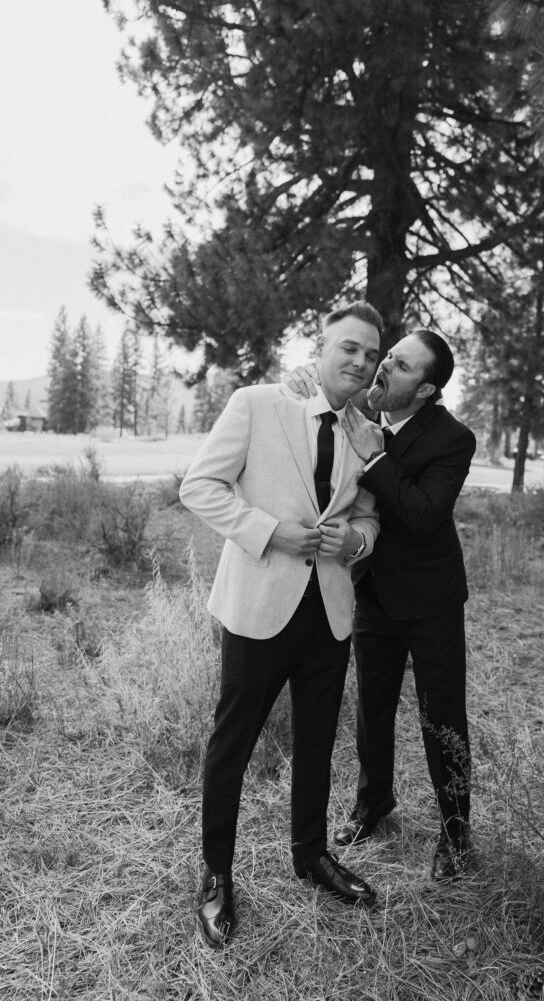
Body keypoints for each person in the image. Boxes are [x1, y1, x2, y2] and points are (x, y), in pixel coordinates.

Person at [179, 302, 384, 948]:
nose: (358, 361)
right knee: (231, 744)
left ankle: (310, 855)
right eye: (347, 347)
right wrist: (271, 532)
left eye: (370, 355)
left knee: (318, 743)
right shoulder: (257, 404)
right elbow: (201, 486)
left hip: (327, 612)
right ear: (319, 349)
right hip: (257, 606)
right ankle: (215, 875)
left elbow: (371, 518)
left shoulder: (369, 436)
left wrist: (352, 539)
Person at [284, 329, 476, 881]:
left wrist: (374, 460)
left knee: (442, 717)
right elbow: (310, 398)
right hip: (370, 593)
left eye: (400, 364)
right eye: (386, 355)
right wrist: (299, 379)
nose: (383, 365)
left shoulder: (452, 439)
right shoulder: (358, 416)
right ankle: (373, 804)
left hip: (431, 599)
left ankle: (456, 832)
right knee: (372, 706)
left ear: (426, 389)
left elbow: (422, 514)